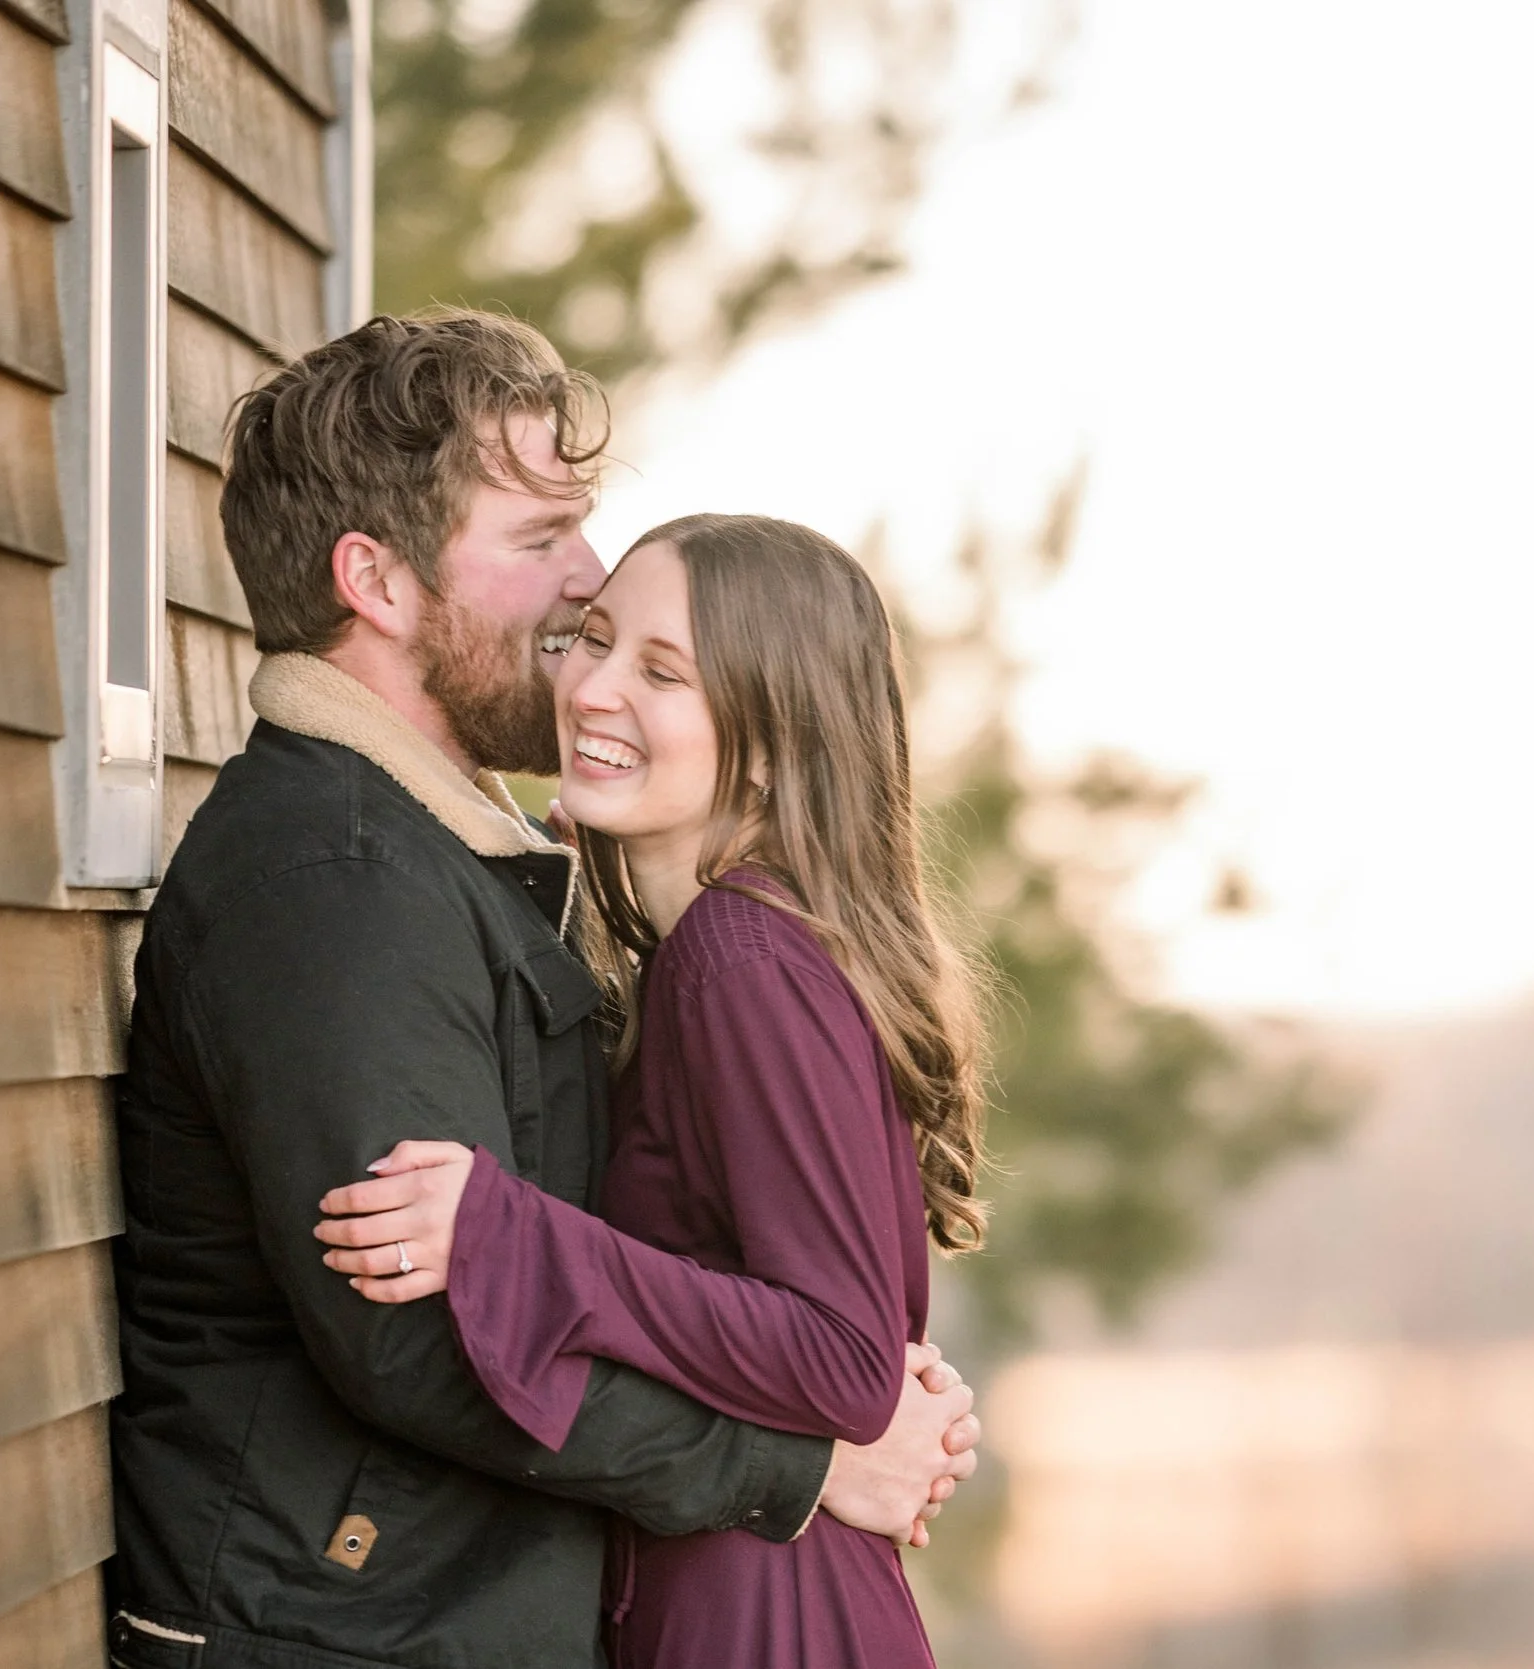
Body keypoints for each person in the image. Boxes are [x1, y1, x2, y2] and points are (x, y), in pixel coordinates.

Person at [107, 314, 977, 1669]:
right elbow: (416, 1337)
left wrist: (833, 1359)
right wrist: (790, 1465)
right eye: (539, 541)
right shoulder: (336, 879)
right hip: (346, 1631)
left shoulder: (461, 852)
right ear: (378, 584)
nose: (584, 580)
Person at [306, 515, 988, 1668]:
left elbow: (843, 1356)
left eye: (661, 672)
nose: (590, 687)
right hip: (742, 1578)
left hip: (762, 1609)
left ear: (770, 745)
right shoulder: (723, 950)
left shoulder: (744, 957)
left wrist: (510, 1237)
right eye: (594, 640)